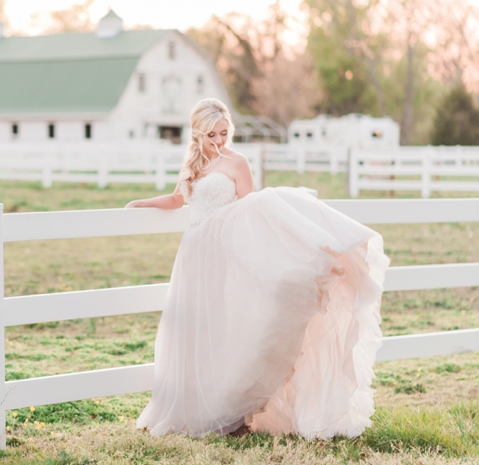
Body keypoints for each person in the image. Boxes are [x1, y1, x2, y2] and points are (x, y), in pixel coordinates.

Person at [127, 99, 388, 439]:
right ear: (197, 134)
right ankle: (198, 409)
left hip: (224, 252)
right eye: (211, 135)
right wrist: (142, 203)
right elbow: (178, 199)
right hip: (193, 255)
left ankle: (234, 413)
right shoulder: (193, 164)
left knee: (230, 328)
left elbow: (251, 210)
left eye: (224, 132)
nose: (219, 141)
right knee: (195, 329)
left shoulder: (237, 162)